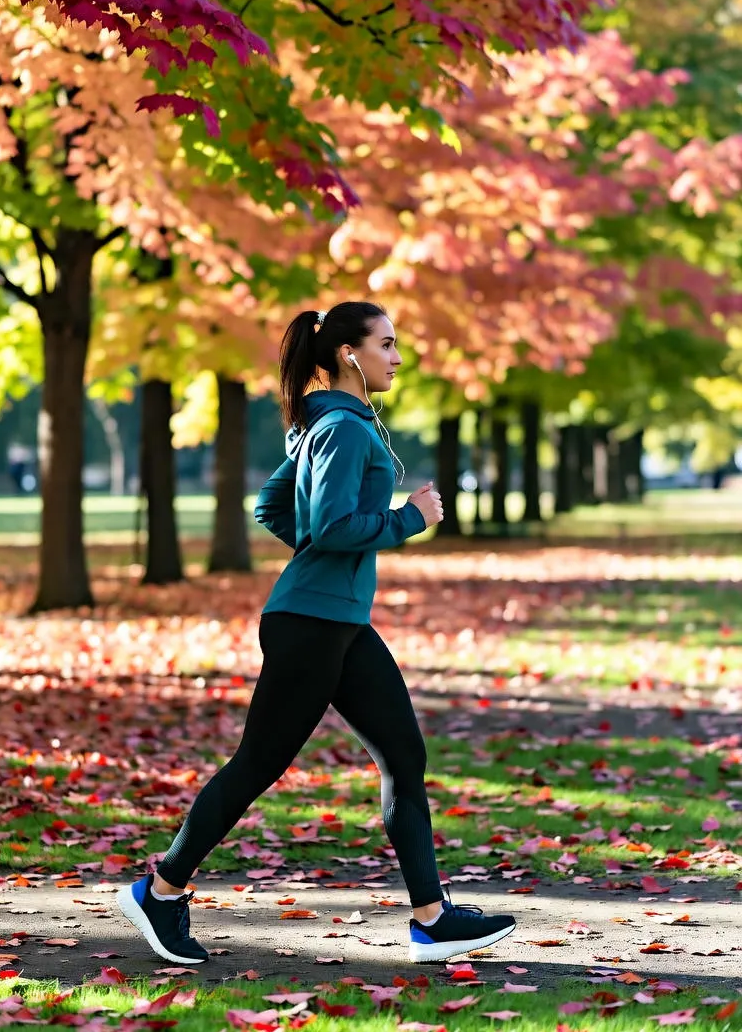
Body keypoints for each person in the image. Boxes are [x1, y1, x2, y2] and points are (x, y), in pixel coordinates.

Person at [117, 302, 516, 965]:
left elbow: (272, 507)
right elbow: (329, 527)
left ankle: (431, 918)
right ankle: (161, 890)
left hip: (340, 622)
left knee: (403, 755)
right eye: (386, 343)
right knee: (258, 763)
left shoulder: (327, 424)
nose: (397, 357)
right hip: (311, 624)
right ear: (349, 354)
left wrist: (320, 555)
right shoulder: (340, 428)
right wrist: (407, 519)